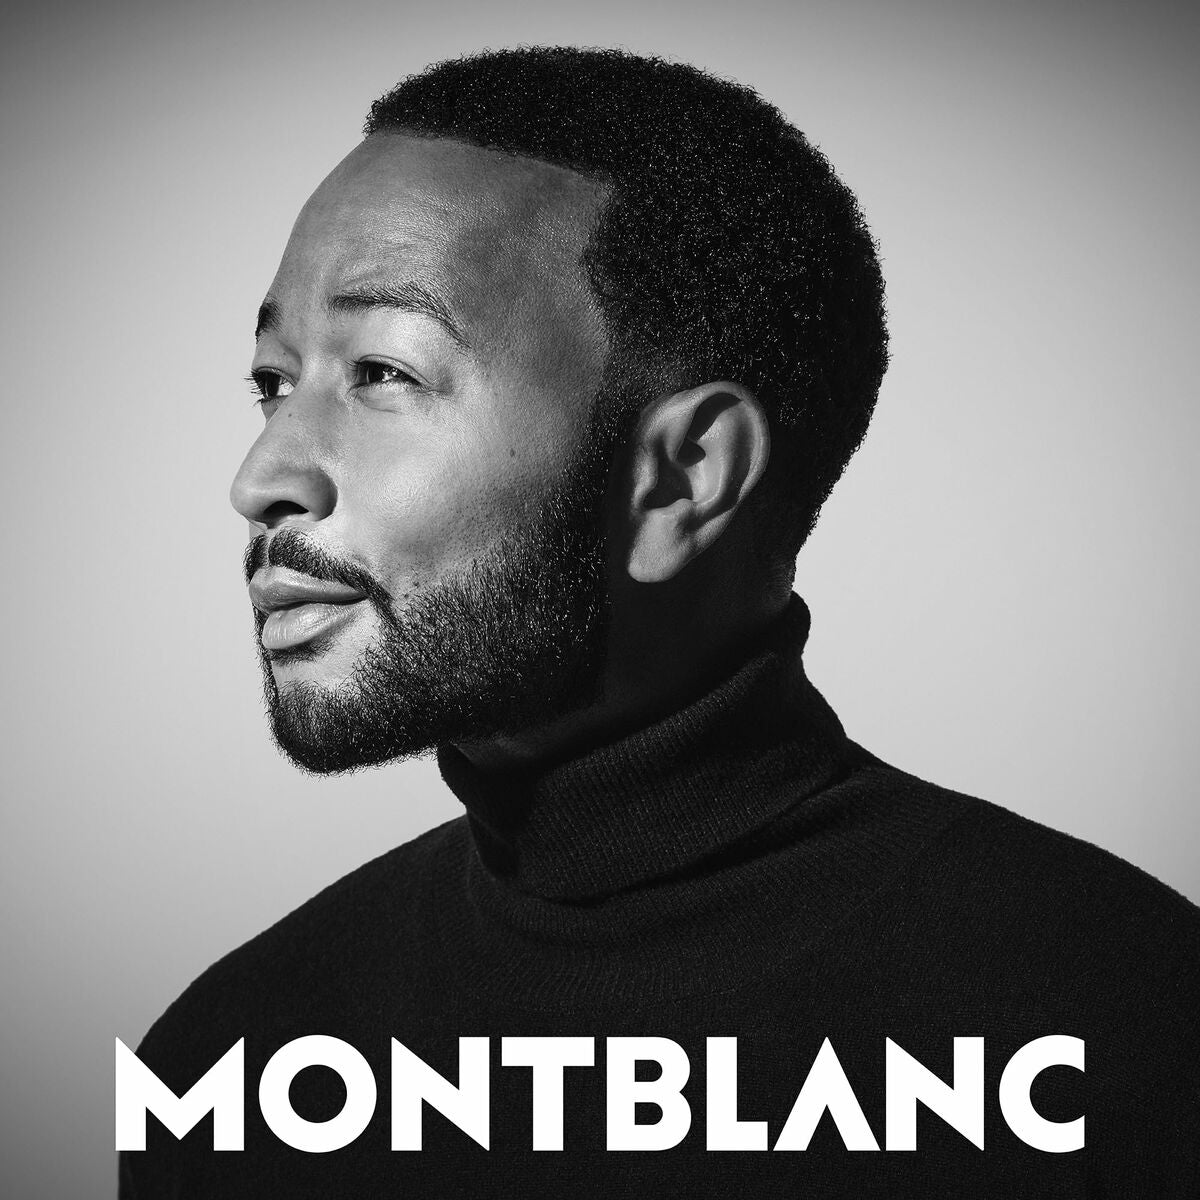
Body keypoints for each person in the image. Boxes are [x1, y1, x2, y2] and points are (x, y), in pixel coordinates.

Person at [119, 46, 1200, 1196]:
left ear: (683, 478)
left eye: (384, 371)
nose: (261, 478)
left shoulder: (1129, 1037)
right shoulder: (237, 1063)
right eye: (273, 382)